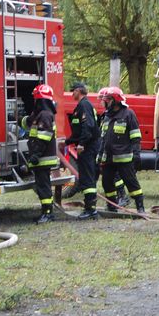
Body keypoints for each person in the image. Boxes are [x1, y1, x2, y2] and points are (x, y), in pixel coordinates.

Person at [98, 86, 145, 213]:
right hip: (108, 158)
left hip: (123, 158)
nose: (105, 102)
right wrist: (99, 156)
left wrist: (136, 154)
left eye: (107, 100)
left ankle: (140, 206)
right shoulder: (106, 116)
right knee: (107, 183)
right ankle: (112, 206)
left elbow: (135, 136)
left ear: (115, 100)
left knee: (131, 182)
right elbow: (103, 138)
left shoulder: (128, 114)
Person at [21, 84, 59, 224]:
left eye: (36, 99)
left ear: (40, 100)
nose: (34, 102)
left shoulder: (45, 115)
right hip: (41, 157)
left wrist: (36, 154)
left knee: (43, 187)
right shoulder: (41, 114)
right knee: (42, 186)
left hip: (43, 158)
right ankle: (46, 212)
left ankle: (47, 213)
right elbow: (29, 123)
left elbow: (44, 137)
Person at [65, 82, 100, 220]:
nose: (72, 93)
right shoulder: (81, 106)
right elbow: (78, 131)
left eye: (73, 91)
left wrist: (82, 144)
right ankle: (90, 208)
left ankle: (91, 210)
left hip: (88, 147)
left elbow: (88, 127)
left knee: (87, 177)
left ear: (79, 91)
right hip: (88, 145)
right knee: (87, 176)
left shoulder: (84, 105)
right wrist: (67, 141)